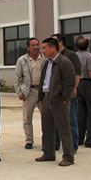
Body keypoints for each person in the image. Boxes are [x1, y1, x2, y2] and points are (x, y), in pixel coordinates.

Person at [36, 37, 75, 166]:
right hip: (46, 98)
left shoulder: (65, 62)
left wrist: (64, 98)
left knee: (64, 129)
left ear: (53, 48)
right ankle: (48, 153)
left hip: (59, 100)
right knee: (47, 128)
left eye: (44, 48)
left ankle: (68, 156)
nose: (43, 51)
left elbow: (69, 84)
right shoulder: (46, 63)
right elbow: (43, 81)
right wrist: (40, 97)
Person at [52, 33, 81, 152]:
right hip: (55, 93)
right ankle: (56, 143)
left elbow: (77, 73)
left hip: (68, 92)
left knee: (71, 119)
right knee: (56, 120)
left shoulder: (71, 55)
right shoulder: (53, 57)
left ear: (60, 43)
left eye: (53, 42)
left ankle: (73, 145)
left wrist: (74, 88)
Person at [14, 38, 44, 149]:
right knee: (27, 118)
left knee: (46, 117)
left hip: (42, 92)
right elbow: (17, 77)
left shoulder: (44, 59)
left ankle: (46, 139)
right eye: (33, 45)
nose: (36, 47)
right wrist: (19, 92)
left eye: (37, 44)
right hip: (29, 92)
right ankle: (29, 140)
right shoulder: (22, 60)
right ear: (28, 48)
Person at [75, 35, 91, 148]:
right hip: (88, 84)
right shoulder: (89, 57)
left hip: (78, 83)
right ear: (88, 44)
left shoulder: (75, 55)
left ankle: (79, 138)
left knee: (81, 112)